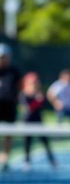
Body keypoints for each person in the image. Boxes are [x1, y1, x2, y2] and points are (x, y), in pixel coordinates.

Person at [19, 72, 57, 171]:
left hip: (39, 121)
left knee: (45, 141)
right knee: (28, 142)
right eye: (33, 82)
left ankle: (52, 160)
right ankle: (27, 161)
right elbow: (27, 108)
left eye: (36, 82)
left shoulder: (39, 94)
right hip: (27, 121)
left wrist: (40, 99)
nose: (35, 84)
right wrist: (37, 101)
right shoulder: (23, 94)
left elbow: (43, 105)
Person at [0, 43, 22, 172]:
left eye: (5, 57)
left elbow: (19, 87)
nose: (3, 59)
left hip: (10, 108)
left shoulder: (14, 71)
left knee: (9, 134)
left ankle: (5, 159)